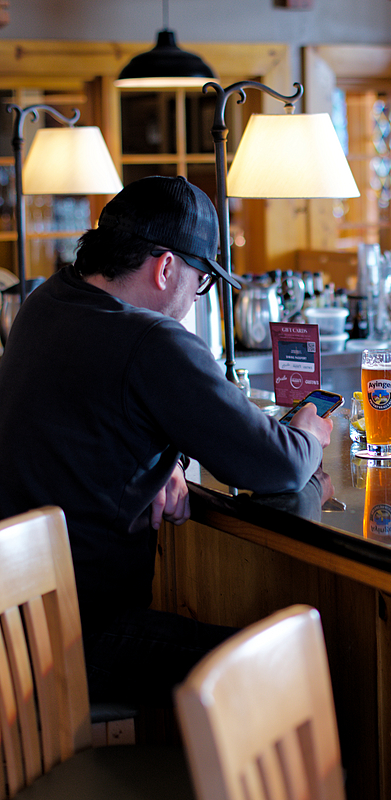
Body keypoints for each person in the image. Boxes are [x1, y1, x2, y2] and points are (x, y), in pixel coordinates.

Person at [0, 175, 333, 706]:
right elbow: (279, 464)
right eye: (201, 281)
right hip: (81, 638)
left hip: (17, 628)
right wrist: (309, 430)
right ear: (165, 268)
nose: (195, 296)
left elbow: (93, 421)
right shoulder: (151, 340)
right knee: (291, 664)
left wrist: (163, 461)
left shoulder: (47, 302)